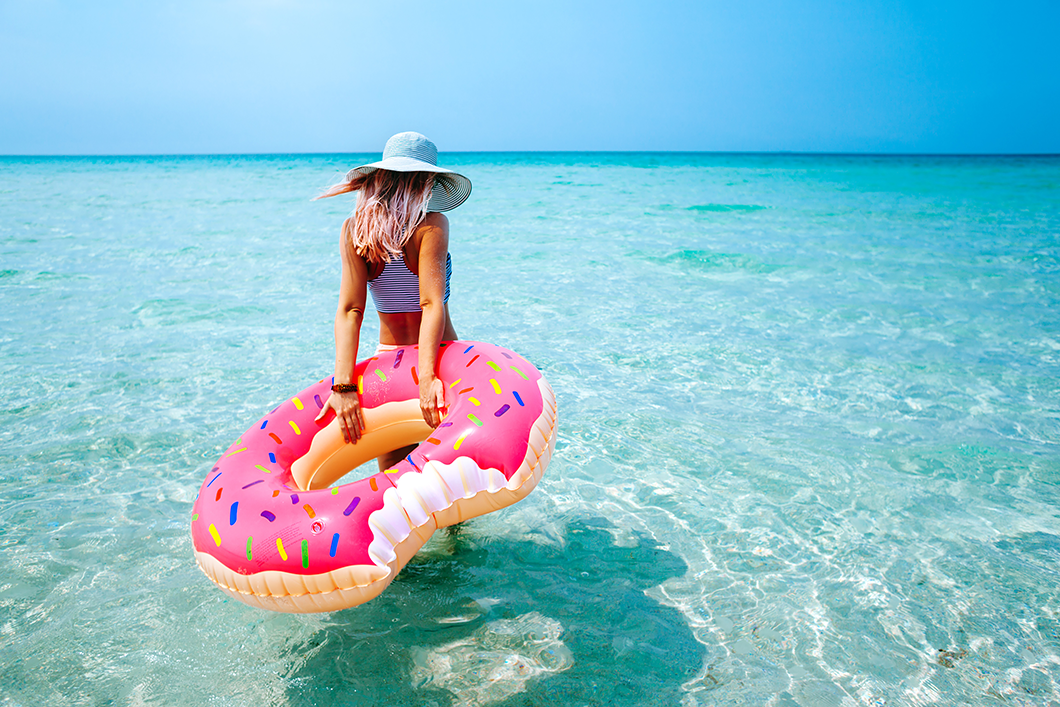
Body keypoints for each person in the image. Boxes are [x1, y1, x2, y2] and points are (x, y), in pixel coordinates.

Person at [312, 132, 472, 470]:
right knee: (449, 475)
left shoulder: (355, 229)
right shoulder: (432, 225)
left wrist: (343, 386)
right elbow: (430, 304)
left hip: (389, 363)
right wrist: (427, 377)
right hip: (441, 356)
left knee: (395, 481)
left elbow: (350, 311)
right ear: (427, 181)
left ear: (379, 177)